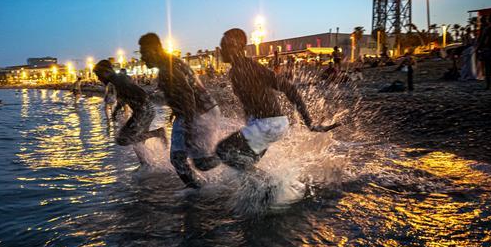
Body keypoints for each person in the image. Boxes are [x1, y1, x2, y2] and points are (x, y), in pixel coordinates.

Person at [211, 29, 338, 171]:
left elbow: (289, 88)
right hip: (265, 124)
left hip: (270, 124)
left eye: (224, 46)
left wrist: (309, 123)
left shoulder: (248, 67)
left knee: (223, 151)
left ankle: (269, 185)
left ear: (236, 47)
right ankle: (275, 188)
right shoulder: (237, 70)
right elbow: (249, 103)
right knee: (242, 161)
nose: (221, 51)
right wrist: (249, 126)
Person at [139, 33, 221, 188]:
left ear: (155, 49)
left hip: (198, 113)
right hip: (201, 111)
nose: (143, 58)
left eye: (144, 53)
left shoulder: (167, 67)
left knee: (181, 160)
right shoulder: (169, 64)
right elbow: (179, 93)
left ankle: (202, 187)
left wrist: (188, 127)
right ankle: (204, 185)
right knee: (200, 162)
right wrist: (174, 112)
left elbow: (188, 93)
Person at [93, 60, 166, 151]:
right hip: (145, 109)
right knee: (138, 142)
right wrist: (117, 110)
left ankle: (158, 133)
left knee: (121, 139)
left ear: (106, 72)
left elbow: (137, 91)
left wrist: (141, 103)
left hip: (143, 111)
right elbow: (123, 97)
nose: (99, 78)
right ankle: (145, 163)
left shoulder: (118, 80)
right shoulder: (117, 79)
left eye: (99, 75)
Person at [477, 13, 491, 89]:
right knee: (488, 68)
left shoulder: (487, 29)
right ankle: (488, 85)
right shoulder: (488, 28)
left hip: (489, 50)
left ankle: (488, 85)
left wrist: (479, 48)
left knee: (488, 68)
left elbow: (482, 40)